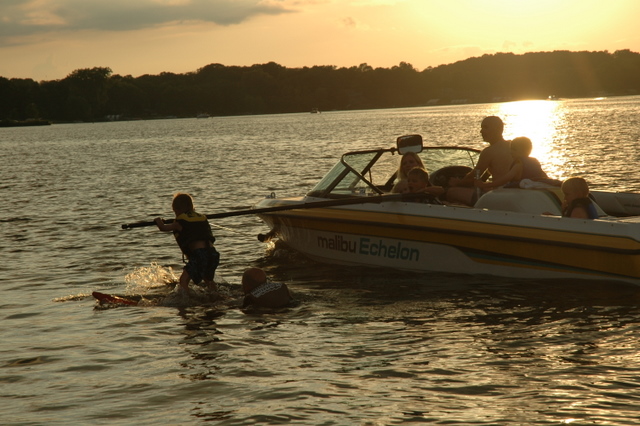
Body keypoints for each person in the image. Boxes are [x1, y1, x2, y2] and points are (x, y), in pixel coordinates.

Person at [155, 193, 220, 294]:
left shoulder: (179, 222)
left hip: (199, 254)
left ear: (177, 210)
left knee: (183, 281)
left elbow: (163, 228)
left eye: (175, 211)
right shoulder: (201, 218)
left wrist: (158, 221)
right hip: (213, 253)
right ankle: (216, 296)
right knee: (208, 280)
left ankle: (188, 300)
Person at [446, 116, 513, 205]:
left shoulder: (489, 151)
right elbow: (485, 176)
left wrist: (457, 182)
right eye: (481, 128)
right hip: (511, 192)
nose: (481, 131)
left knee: (451, 192)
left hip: (499, 197)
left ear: (498, 129)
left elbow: (472, 178)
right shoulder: (513, 146)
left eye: (485, 127)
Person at [474, 136, 549, 190]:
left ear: (523, 151)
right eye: (511, 149)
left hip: (519, 194)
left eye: (514, 150)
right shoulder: (535, 161)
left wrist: (485, 185)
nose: (511, 152)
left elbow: (505, 179)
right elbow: (543, 177)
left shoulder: (518, 164)